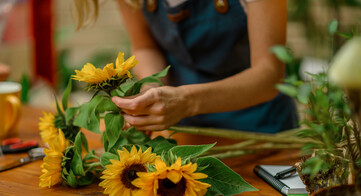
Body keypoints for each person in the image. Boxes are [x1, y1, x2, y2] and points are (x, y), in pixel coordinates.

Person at [75, 0, 298, 133]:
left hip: (260, 129)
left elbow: (270, 74)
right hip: (184, 130)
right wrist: (150, 91)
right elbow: (145, 47)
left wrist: (186, 100)